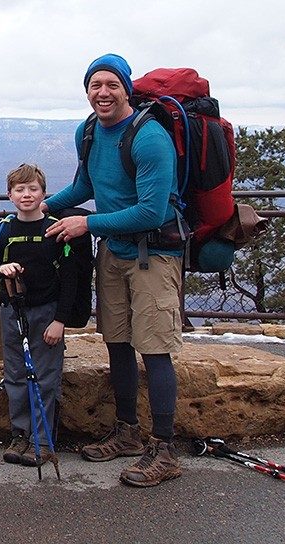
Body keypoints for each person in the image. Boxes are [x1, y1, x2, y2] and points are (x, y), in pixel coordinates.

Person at [43, 53, 182, 487]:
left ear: (126, 89)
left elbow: (150, 211)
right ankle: (127, 433)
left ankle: (165, 449)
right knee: (117, 343)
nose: (102, 93)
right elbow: (87, 186)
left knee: (155, 348)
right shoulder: (87, 131)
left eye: (111, 85)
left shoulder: (149, 137)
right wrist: (44, 205)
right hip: (114, 253)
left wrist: (87, 222)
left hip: (154, 255)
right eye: (94, 85)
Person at [0, 164, 77, 467]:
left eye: (33, 189)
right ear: (10, 195)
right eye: (20, 189)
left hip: (46, 313)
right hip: (13, 311)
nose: (26, 195)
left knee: (46, 379)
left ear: (43, 193)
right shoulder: (6, 229)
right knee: (16, 376)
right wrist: (1, 269)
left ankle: (43, 441)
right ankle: (20, 435)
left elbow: (71, 280)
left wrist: (60, 321)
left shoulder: (54, 229)